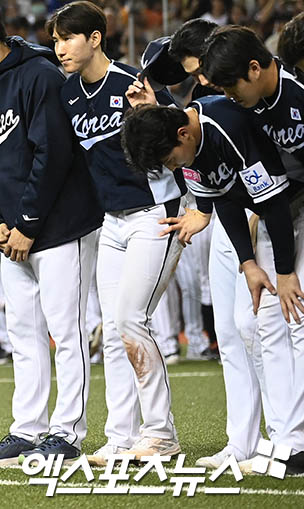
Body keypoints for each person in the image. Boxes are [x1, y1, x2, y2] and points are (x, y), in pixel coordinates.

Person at [0, 0, 103, 467]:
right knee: (23, 334)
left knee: (67, 332)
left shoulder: (39, 74)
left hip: (59, 225)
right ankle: (28, 430)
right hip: (12, 236)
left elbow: (52, 154)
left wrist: (26, 223)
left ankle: (67, 432)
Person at [121, 92, 304, 475]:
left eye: (170, 158)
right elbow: (225, 199)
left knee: (281, 324)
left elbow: (271, 203)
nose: (173, 167)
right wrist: (249, 263)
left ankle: (292, 444)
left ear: (183, 134)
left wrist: (284, 273)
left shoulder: (228, 125)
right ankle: (274, 442)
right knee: (246, 326)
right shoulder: (190, 146)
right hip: (269, 220)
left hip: (290, 210)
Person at [47, 1, 185, 462]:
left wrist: (158, 106)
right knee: (111, 332)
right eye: (55, 40)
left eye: (68, 37)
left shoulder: (134, 84)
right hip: (112, 221)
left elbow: (184, 138)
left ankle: (161, 433)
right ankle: (121, 437)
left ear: (95, 38)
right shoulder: (67, 95)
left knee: (130, 320)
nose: (60, 47)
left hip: (155, 213)